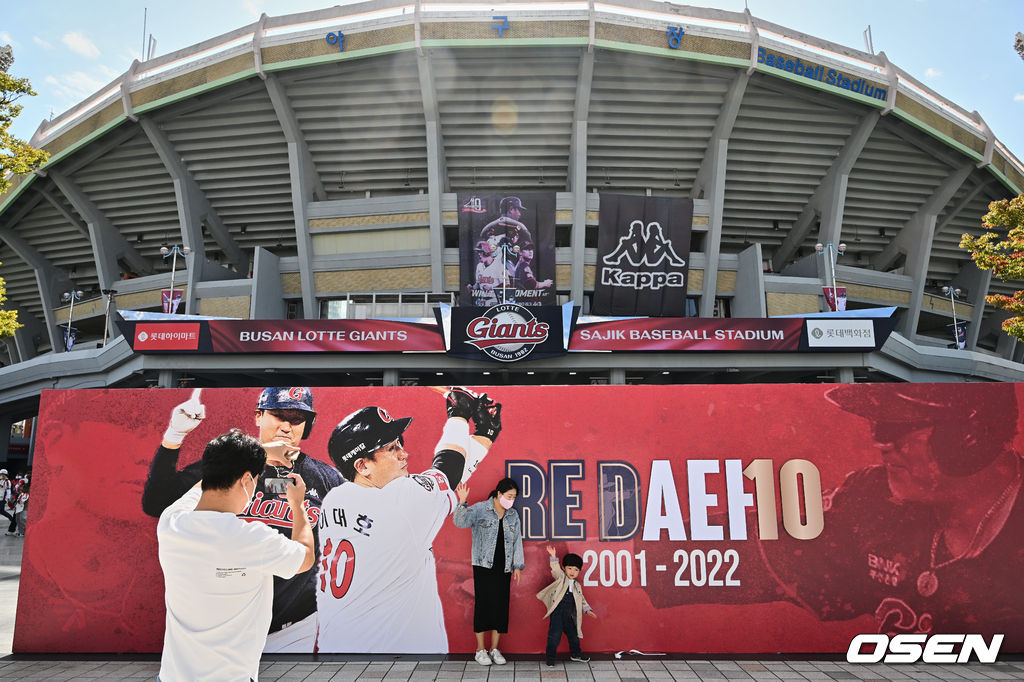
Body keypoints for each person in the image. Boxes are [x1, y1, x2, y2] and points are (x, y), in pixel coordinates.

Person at [638, 383, 1024, 648]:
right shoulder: (872, 502)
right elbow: (754, 547)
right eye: (876, 425)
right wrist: (618, 556)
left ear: (969, 437)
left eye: (896, 427)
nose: (880, 443)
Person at [142, 387, 344, 652]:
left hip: (292, 629)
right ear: (259, 416)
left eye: (296, 419)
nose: (287, 425)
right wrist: (174, 437)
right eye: (278, 415)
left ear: (306, 425)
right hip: (224, 623)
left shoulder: (325, 477)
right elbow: (157, 502)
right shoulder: (227, 465)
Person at [315, 387, 502, 654]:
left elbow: (446, 479)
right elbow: (447, 468)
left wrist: (484, 434)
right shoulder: (399, 501)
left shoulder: (335, 500)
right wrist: (459, 414)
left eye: (399, 443)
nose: (404, 454)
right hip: (394, 661)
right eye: (391, 448)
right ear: (362, 466)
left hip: (341, 654)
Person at [157, 429, 315, 682]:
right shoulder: (252, 539)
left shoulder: (171, 523)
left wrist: (257, 454)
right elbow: (305, 557)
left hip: (173, 676)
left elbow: (202, 486)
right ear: (246, 481)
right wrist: (297, 504)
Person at [453, 476, 524, 666]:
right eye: (509, 496)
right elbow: (460, 522)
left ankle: (494, 649)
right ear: (499, 494)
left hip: (505, 566)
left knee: (501, 607)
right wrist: (461, 502)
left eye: (514, 497)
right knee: (483, 606)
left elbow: (517, 541)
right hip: (484, 565)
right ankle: (480, 650)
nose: (511, 500)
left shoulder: (513, 515)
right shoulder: (480, 509)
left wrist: (517, 565)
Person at [537, 546, 596, 666]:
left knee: (574, 636)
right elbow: (556, 570)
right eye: (570, 568)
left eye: (576, 569)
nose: (572, 572)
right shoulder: (561, 578)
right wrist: (553, 557)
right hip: (557, 613)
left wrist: (587, 610)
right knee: (554, 636)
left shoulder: (577, 586)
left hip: (569, 615)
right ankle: (550, 659)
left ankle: (576, 654)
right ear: (564, 568)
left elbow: (582, 600)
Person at [0, 469, 15, 535]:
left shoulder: (7, 481)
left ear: (4, 474)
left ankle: (12, 520)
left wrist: (8, 499)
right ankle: (12, 520)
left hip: (3, 499)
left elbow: (8, 490)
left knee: (2, 511)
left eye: (1, 474)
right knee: (1, 511)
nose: (0, 475)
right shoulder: (1, 480)